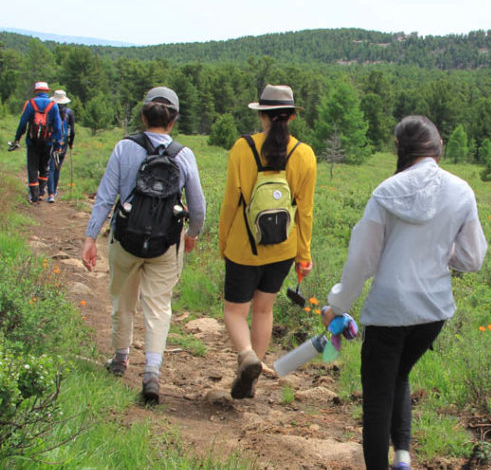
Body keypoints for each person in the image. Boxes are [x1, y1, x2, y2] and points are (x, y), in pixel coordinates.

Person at [322, 115, 487, 470]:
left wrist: (336, 306)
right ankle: (402, 460)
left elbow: (362, 259)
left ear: (400, 148)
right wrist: (434, 249)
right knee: (399, 376)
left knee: (377, 398)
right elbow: (472, 258)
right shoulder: (461, 191)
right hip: (432, 312)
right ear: (436, 147)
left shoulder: (385, 193)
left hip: (390, 309)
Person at [82, 86, 206, 404]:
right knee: (158, 306)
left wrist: (90, 237)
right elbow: (199, 206)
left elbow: (107, 195)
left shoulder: (124, 148)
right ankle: (151, 372)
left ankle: (121, 358)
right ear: (173, 120)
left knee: (122, 300)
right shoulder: (184, 154)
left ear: (142, 115)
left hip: (126, 237)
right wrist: (191, 234)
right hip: (166, 243)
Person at [218, 84, 317, 399]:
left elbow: (230, 202)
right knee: (263, 310)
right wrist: (303, 256)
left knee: (235, 312)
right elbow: (305, 213)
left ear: (262, 115)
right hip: (283, 249)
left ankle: (246, 356)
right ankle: (254, 372)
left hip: (243, 246)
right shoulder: (305, 154)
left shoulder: (242, 148)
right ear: (290, 117)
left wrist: (224, 244)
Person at [10, 81, 63, 204]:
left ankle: (33, 196)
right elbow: (58, 127)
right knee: (44, 167)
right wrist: (58, 143)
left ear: (36, 91)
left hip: (32, 141)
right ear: (46, 91)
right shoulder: (53, 105)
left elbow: (23, 123)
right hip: (47, 141)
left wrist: (17, 138)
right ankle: (41, 191)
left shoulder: (30, 104)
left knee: (32, 167)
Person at [45, 89, 76, 203]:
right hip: (63, 144)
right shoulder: (69, 112)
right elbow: (72, 131)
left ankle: (51, 193)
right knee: (58, 167)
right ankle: (55, 190)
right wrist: (71, 143)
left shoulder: (51, 111)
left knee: (51, 167)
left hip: (52, 142)